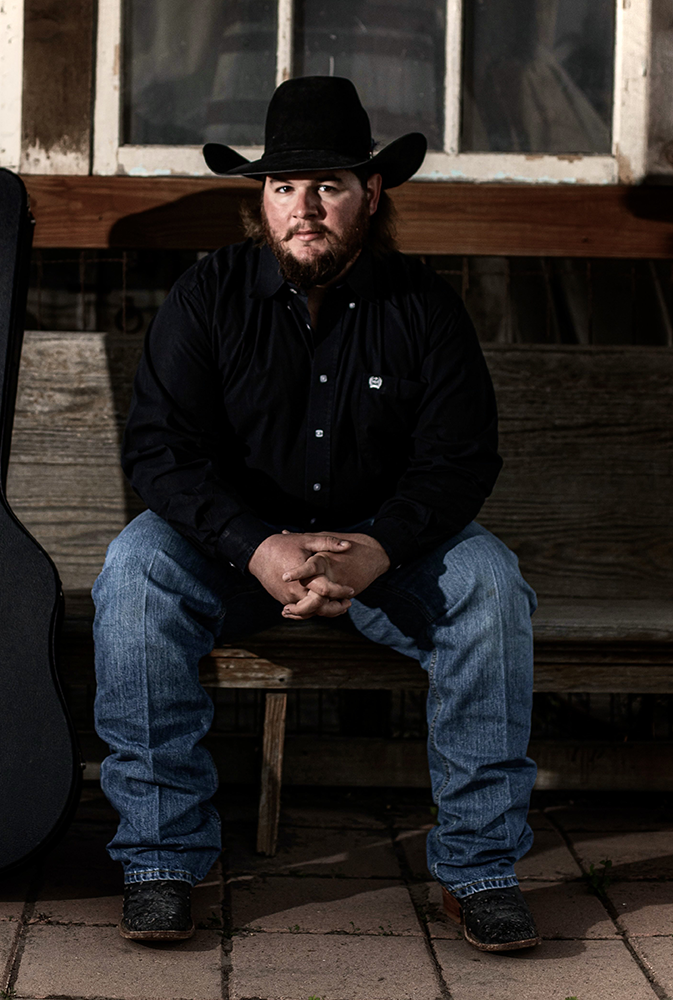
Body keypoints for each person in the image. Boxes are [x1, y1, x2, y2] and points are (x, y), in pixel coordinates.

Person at [92, 76, 540, 953]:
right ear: (262, 200)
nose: (305, 208)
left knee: (491, 584)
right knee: (135, 572)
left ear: (371, 194)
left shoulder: (425, 306)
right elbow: (160, 452)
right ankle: (160, 861)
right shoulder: (207, 296)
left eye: (328, 185)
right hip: (229, 553)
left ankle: (480, 871)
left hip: (385, 559)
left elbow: (460, 461)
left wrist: (380, 547)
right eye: (284, 186)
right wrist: (255, 545)